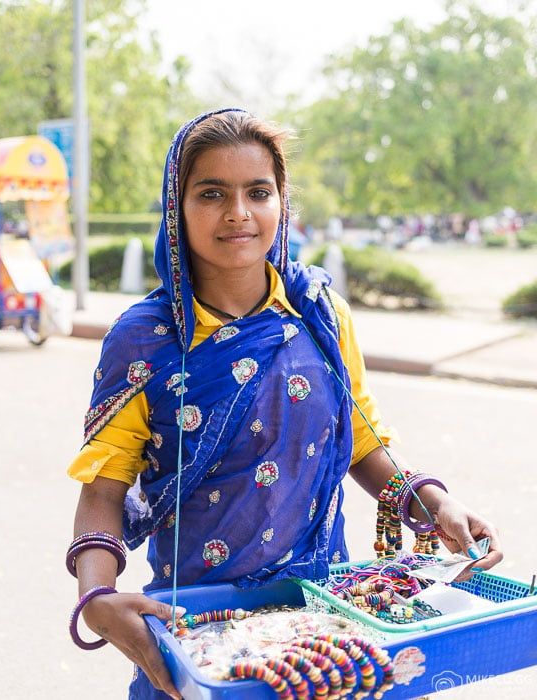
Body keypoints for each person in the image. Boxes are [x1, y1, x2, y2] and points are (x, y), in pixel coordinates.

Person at [66, 108, 502, 699]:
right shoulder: (146, 340)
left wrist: (434, 503)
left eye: (258, 192)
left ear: (282, 203)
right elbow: (104, 487)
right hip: (200, 633)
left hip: (326, 621)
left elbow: (361, 439)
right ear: (177, 209)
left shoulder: (320, 313)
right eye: (212, 193)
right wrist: (97, 598)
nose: (238, 213)